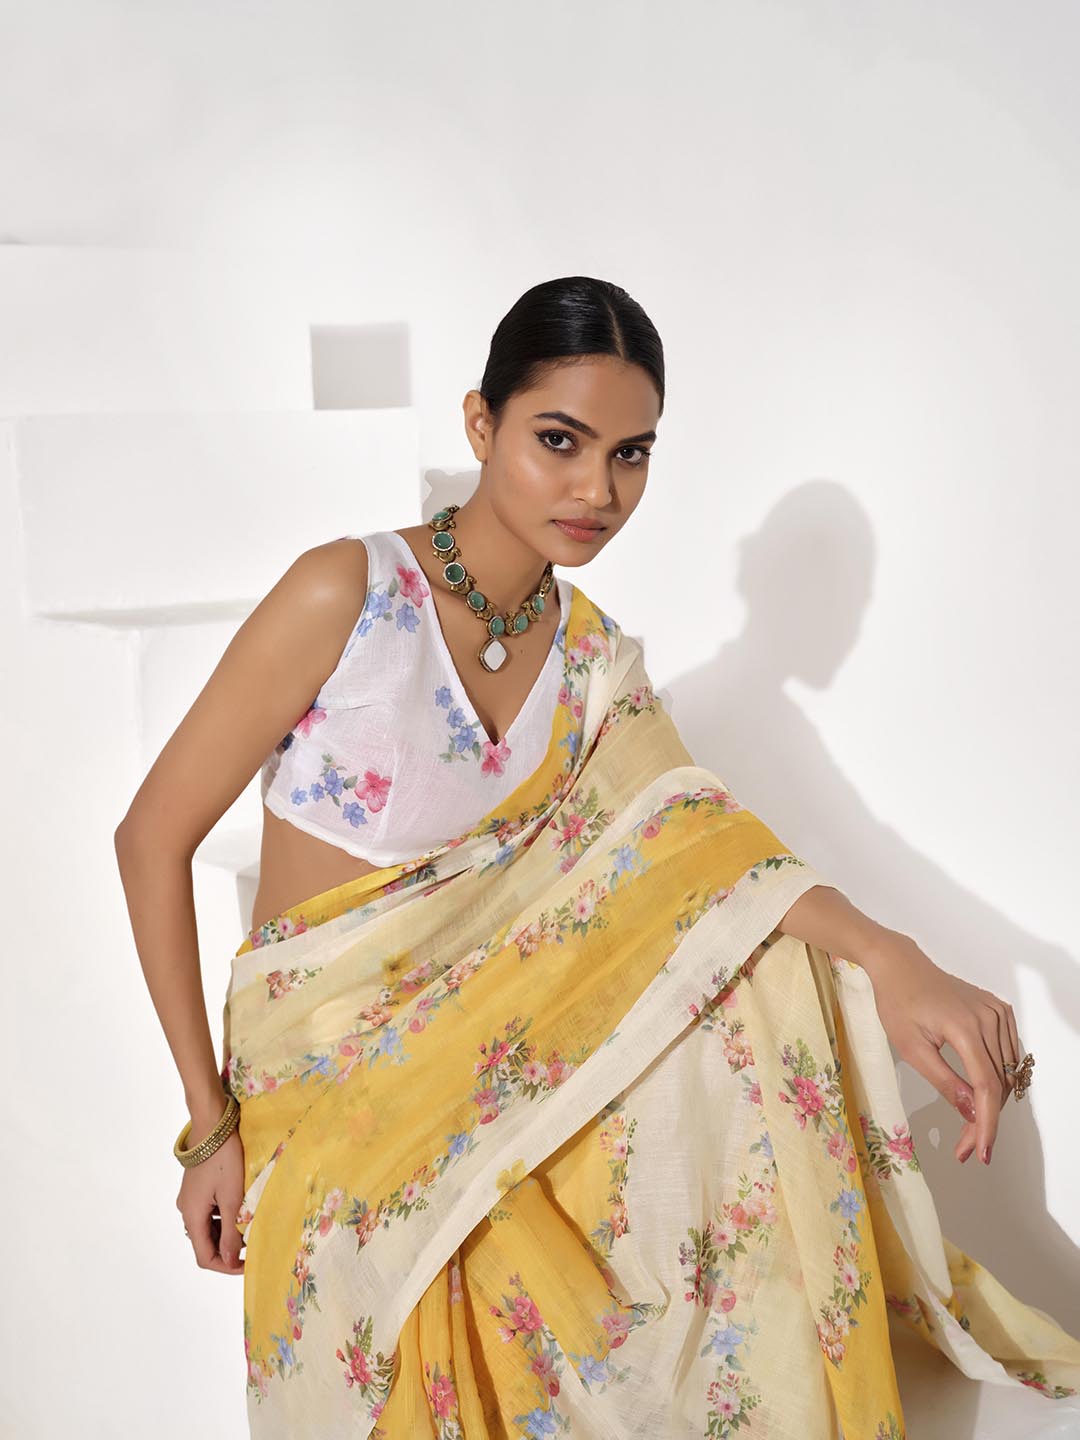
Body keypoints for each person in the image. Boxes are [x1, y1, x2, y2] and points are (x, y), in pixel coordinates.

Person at [115, 276, 1079, 1439]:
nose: (597, 491)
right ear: (482, 424)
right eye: (559, 441)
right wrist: (209, 1127)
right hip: (323, 1069)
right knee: (478, 1258)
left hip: (481, 1047)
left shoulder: (590, 664)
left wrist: (893, 957)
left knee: (760, 978)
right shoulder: (349, 595)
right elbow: (150, 837)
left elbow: (698, 841)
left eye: (631, 454)